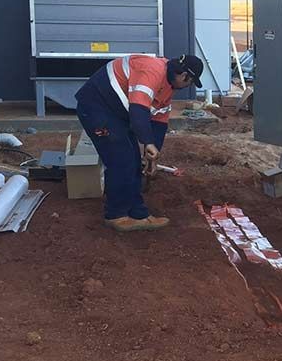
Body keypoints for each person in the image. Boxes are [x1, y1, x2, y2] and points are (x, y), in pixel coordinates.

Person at [74, 53, 203, 231]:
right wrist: (147, 143)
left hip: (116, 113)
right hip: (97, 107)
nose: (187, 86)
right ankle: (116, 214)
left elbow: (159, 122)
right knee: (121, 159)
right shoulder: (153, 71)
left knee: (134, 161)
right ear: (184, 76)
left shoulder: (167, 87)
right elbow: (138, 111)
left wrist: (151, 158)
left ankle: (138, 213)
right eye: (189, 82)